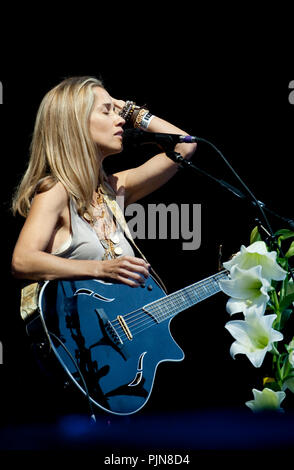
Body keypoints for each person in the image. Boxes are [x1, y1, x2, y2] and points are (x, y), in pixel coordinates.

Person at [11, 76, 197, 285]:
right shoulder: (56, 190)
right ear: (76, 122)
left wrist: (131, 111)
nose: (120, 120)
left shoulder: (113, 189)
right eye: (106, 111)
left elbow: (184, 146)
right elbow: (23, 260)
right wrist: (100, 268)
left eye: (117, 113)